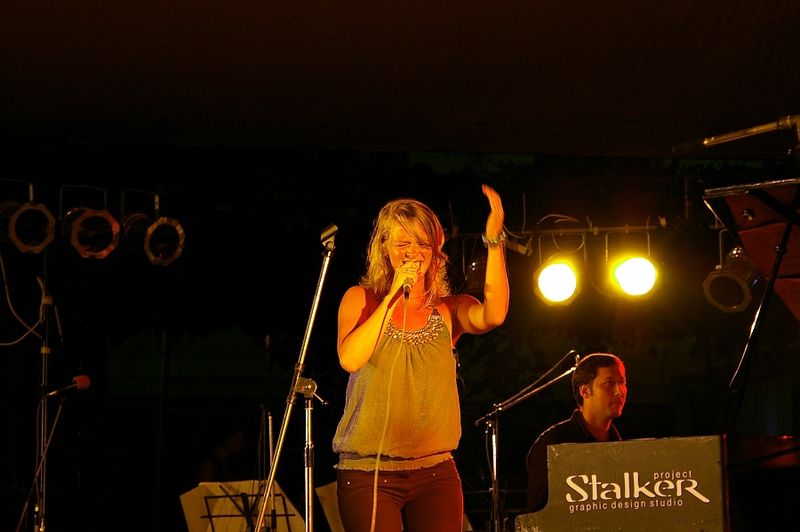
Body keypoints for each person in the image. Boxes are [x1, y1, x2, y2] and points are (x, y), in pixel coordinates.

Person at [331, 184, 510, 532]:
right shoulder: (361, 299)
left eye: (423, 244)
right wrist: (392, 297)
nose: (413, 252)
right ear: (385, 248)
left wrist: (494, 242)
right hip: (369, 473)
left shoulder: (447, 309)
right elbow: (350, 359)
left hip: (435, 473)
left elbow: (494, 314)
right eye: (403, 243)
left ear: (435, 252)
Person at [525, 353, 627, 513]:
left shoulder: (622, 448)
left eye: (622, 382)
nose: (619, 391)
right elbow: (536, 515)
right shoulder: (553, 444)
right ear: (585, 391)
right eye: (609, 383)